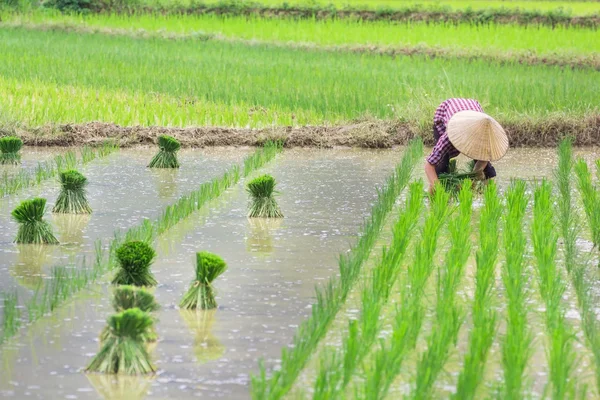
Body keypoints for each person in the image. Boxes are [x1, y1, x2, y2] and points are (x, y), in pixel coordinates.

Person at [424, 98, 509, 193]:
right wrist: (439, 190)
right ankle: (432, 200)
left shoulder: (486, 135)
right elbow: (429, 165)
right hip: (444, 114)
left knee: (487, 170)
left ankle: (490, 194)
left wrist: (475, 174)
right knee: (441, 169)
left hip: (474, 111)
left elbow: (484, 157)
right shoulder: (449, 136)